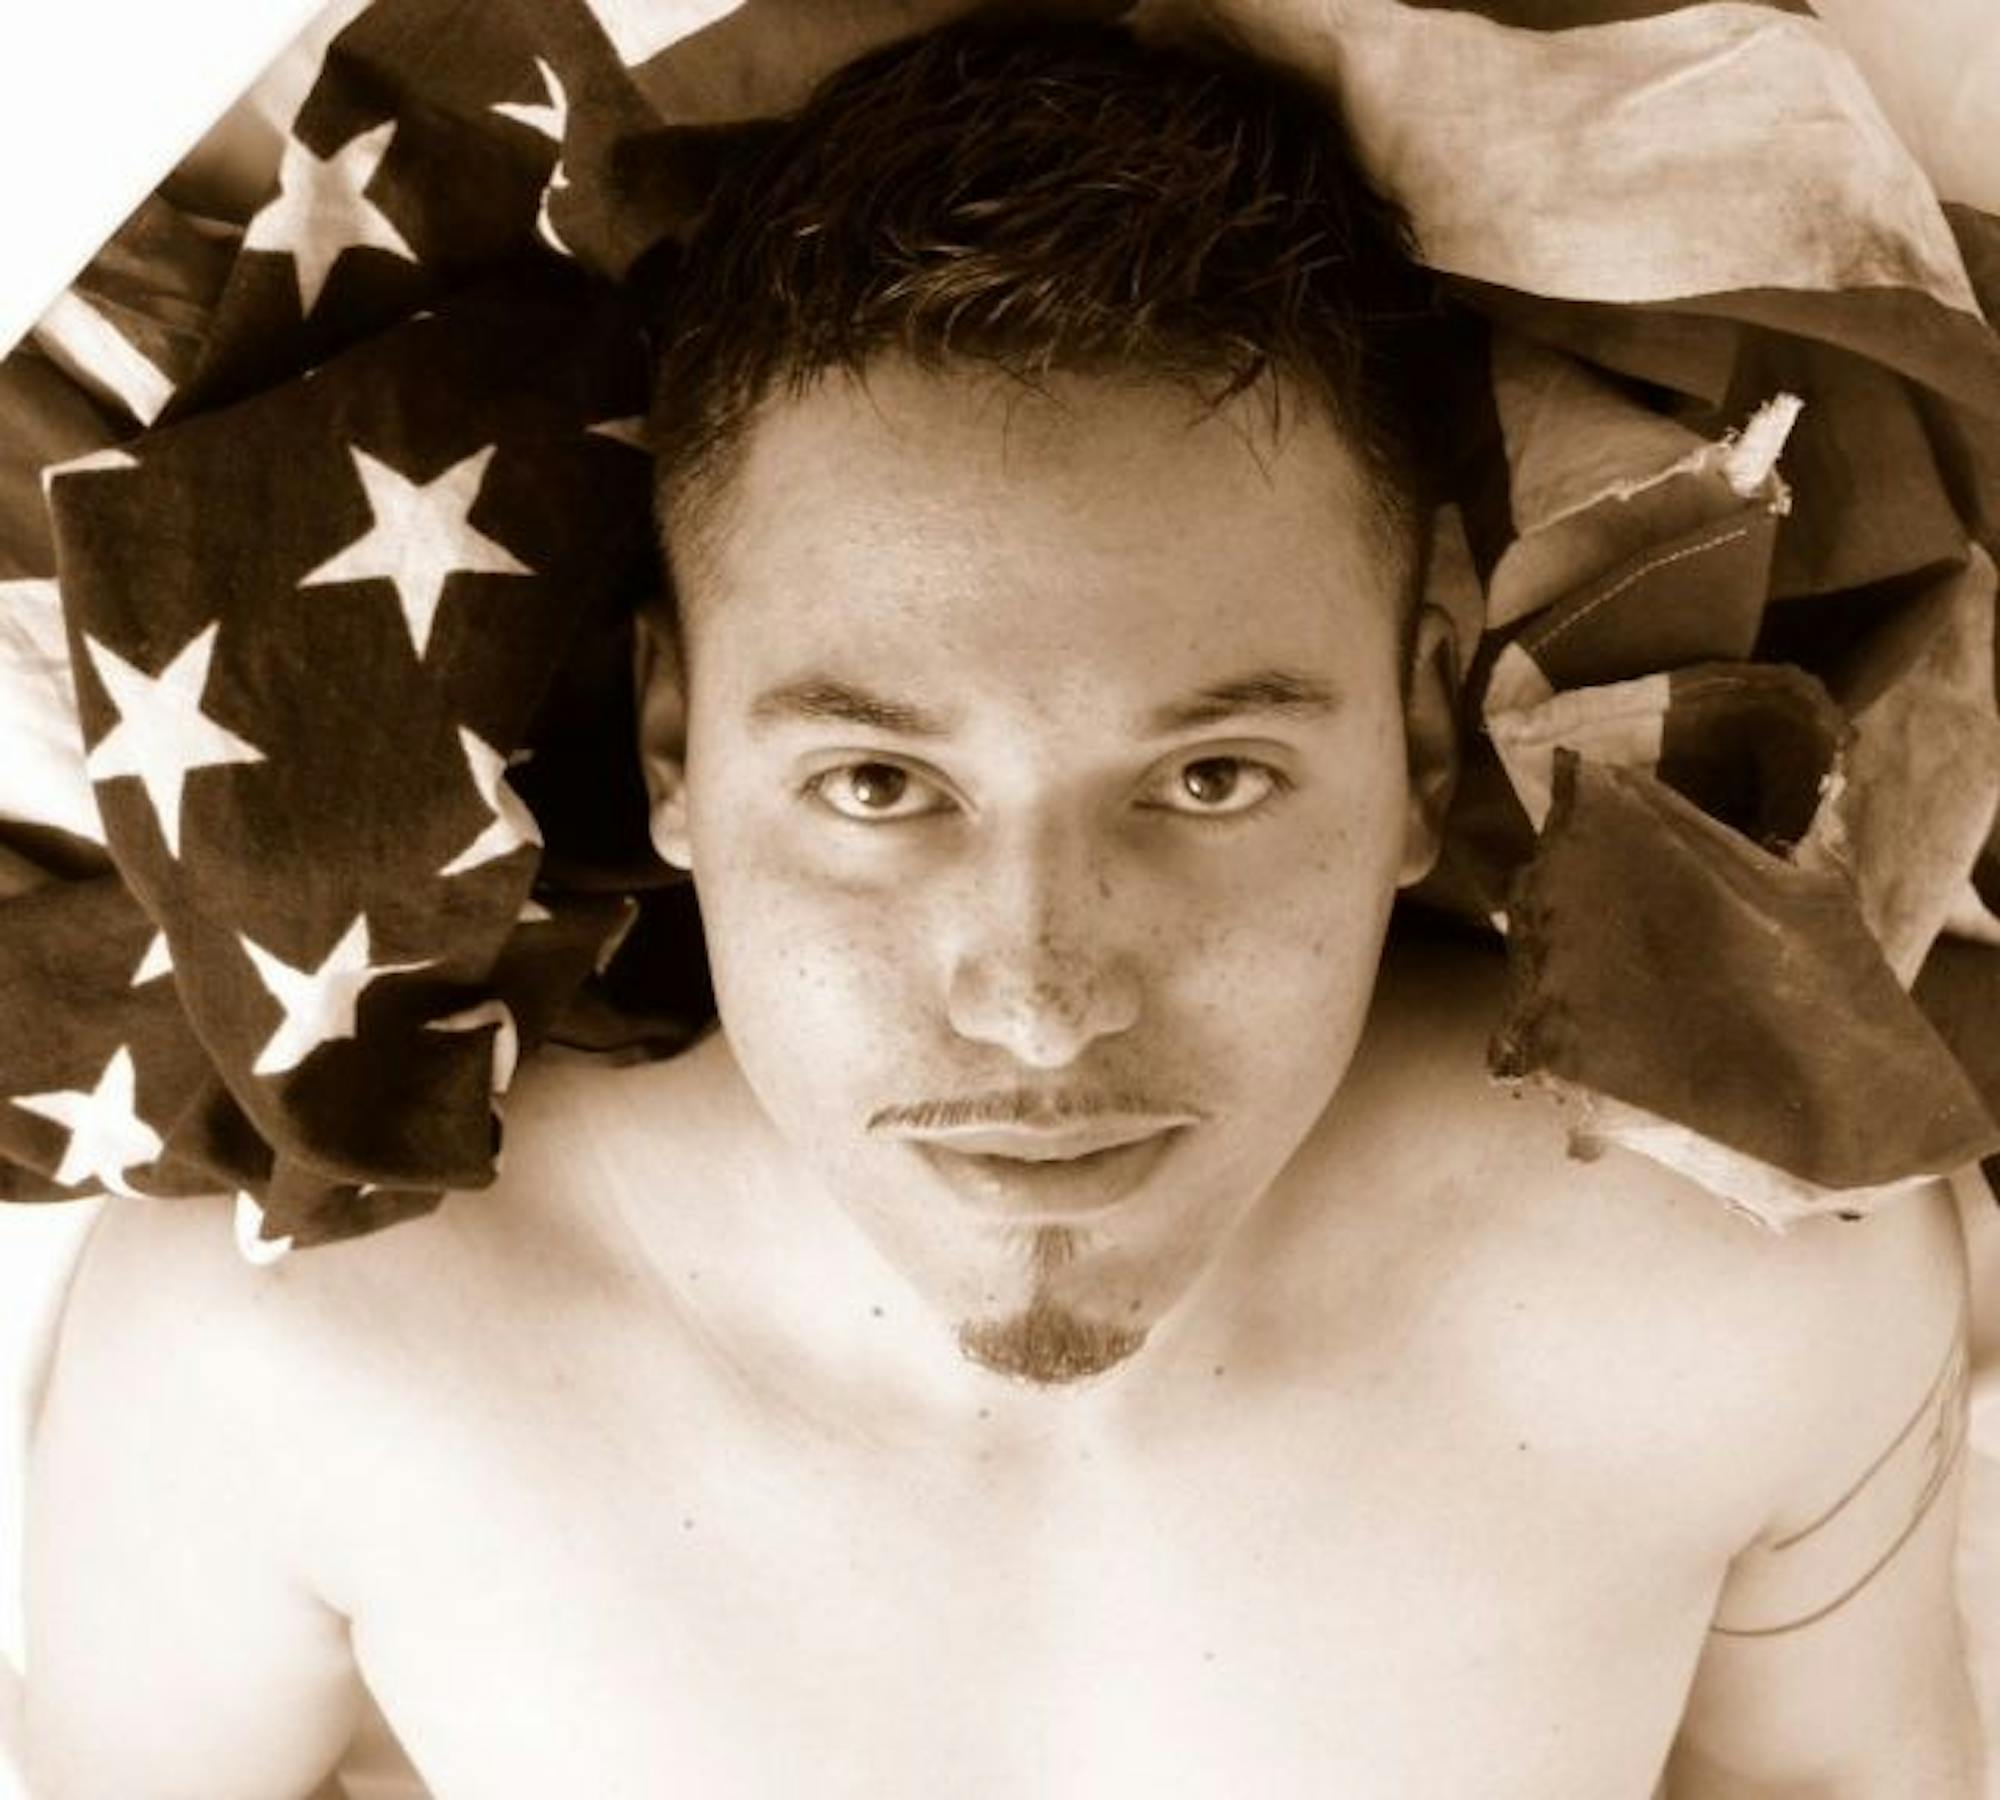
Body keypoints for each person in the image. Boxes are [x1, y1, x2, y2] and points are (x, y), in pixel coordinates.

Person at [24, 17, 1982, 1797]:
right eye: (880, 788)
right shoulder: (291, 1361)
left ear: (1417, 727)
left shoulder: (1743, 1291)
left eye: (1208, 780)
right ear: (677, 742)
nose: (1041, 1002)